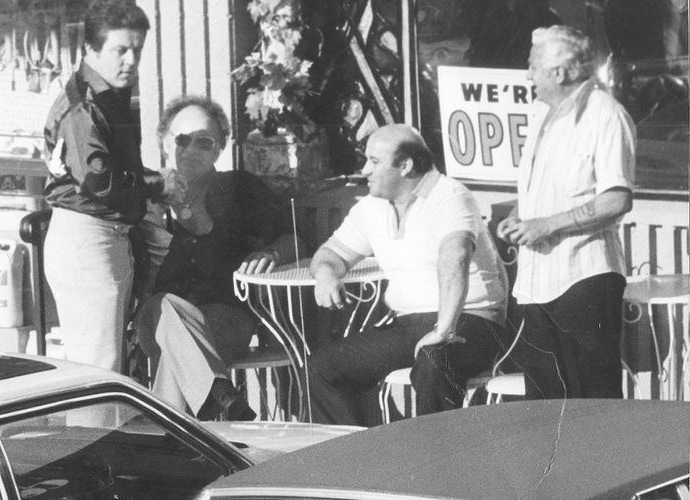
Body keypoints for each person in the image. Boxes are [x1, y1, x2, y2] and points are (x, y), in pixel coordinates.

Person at [308, 124, 510, 426]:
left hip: (470, 320)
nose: (365, 170)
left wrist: (443, 330)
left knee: (433, 363)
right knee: (324, 368)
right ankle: (363, 457)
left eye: (374, 162)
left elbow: (454, 258)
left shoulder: (449, 195)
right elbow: (331, 254)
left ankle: (439, 465)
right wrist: (325, 274)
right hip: (408, 324)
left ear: (405, 165)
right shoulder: (372, 207)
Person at [131, 95, 300, 420]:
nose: (191, 149)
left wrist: (271, 252)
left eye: (204, 142)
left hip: (225, 315)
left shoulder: (240, 188)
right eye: (182, 139)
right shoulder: (144, 195)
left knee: (180, 353)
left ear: (220, 146)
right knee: (169, 307)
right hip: (156, 316)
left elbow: (294, 239)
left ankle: (205, 409)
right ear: (165, 142)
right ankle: (219, 399)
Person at [497, 25, 636, 399]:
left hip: (583, 280)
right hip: (535, 284)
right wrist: (518, 215)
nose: (528, 76)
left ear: (559, 73)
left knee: (592, 405)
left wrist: (547, 225)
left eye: (533, 67)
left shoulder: (605, 114)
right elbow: (542, 192)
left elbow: (617, 199)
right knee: (544, 407)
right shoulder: (542, 113)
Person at [42, 0, 181, 373]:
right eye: (121, 50)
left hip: (105, 239)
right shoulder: (83, 104)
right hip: (87, 242)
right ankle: (96, 435)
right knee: (97, 373)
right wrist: (158, 184)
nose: (131, 60)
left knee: (108, 369)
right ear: (90, 49)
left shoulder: (107, 94)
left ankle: (104, 433)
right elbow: (99, 180)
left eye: (137, 50)